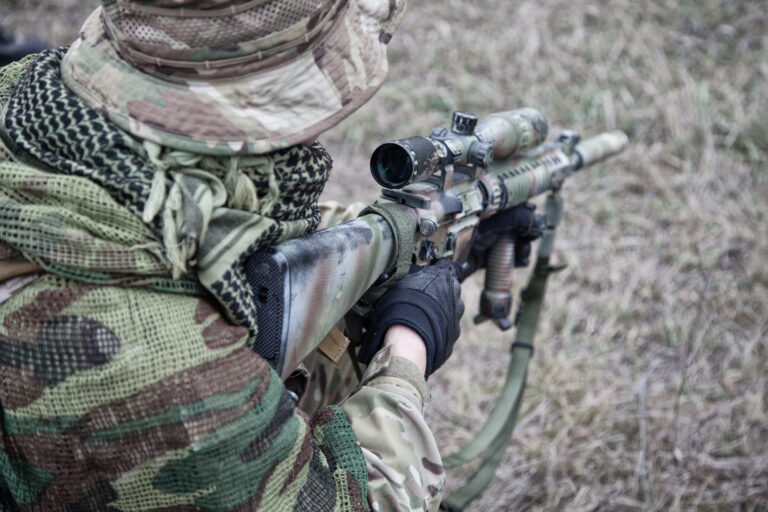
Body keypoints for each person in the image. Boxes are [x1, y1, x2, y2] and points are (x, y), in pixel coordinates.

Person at [0, 1, 465, 511]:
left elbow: (212, 211)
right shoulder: (176, 374)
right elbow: (366, 500)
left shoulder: (33, 110)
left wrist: (372, 231)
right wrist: (407, 349)